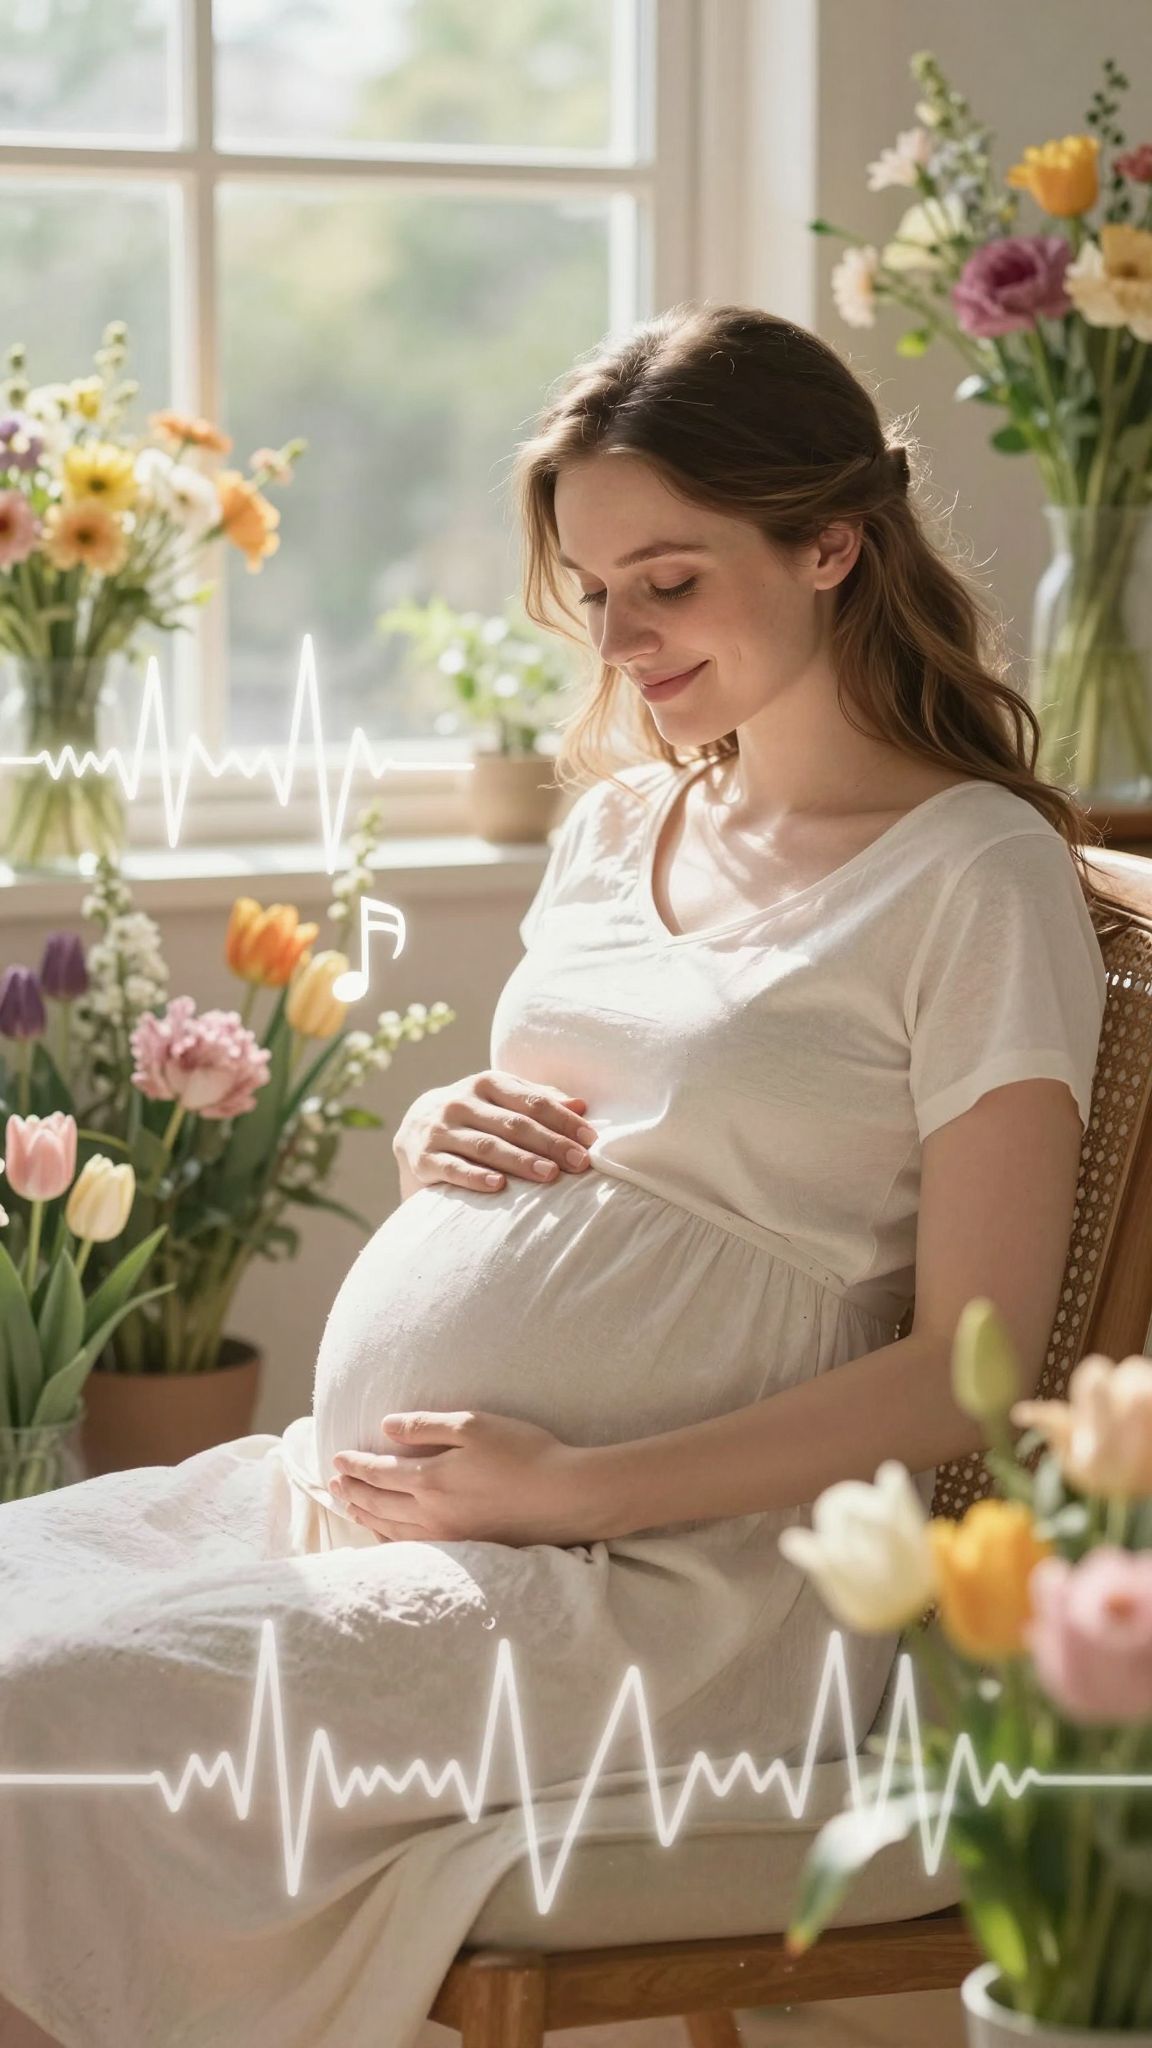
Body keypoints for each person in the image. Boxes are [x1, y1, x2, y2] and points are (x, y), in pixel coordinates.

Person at [0, 302, 1125, 2048]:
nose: (620, 633)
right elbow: (613, 1112)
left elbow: (968, 1368)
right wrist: (435, 1130)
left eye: (669, 581)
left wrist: (573, 1493)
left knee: (45, 1712)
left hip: (685, 1587)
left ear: (831, 543)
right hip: (376, 1496)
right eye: (595, 587)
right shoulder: (621, 821)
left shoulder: (972, 875)